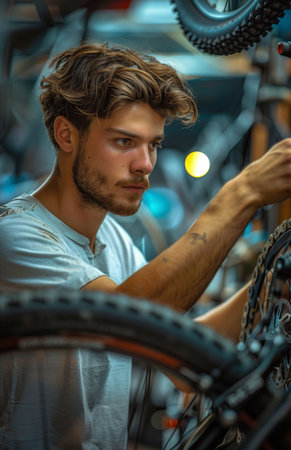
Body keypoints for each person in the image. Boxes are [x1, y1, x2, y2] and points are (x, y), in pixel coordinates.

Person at [1, 42, 291, 449]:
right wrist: (240, 195)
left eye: (153, 144)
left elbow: (177, 346)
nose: (146, 163)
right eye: (124, 142)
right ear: (66, 134)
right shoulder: (15, 235)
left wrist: (272, 275)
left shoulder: (113, 240)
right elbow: (132, 319)